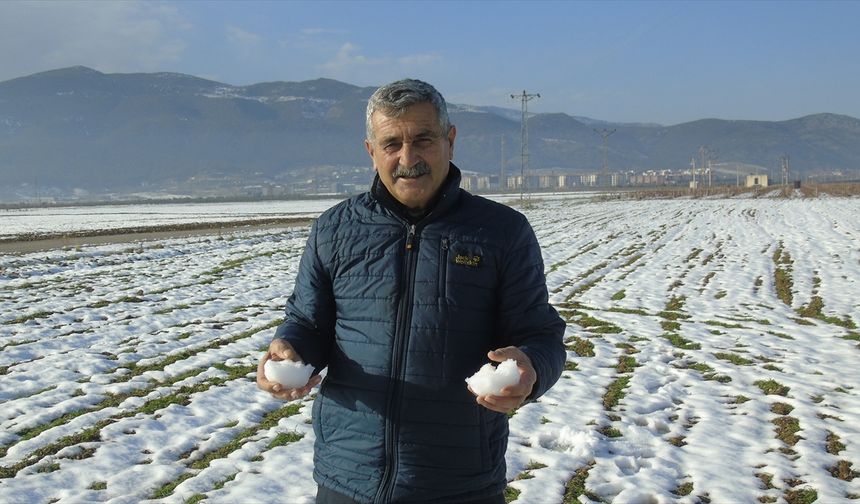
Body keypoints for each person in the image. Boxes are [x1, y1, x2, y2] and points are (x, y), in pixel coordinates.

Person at [257, 78, 565, 504]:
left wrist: (532, 369)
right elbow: (308, 323)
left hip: (459, 481)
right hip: (349, 476)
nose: (408, 158)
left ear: (449, 141)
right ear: (371, 151)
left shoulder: (501, 232)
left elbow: (539, 334)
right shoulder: (334, 229)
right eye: (392, 144)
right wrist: (289, 351)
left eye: (423, 140)